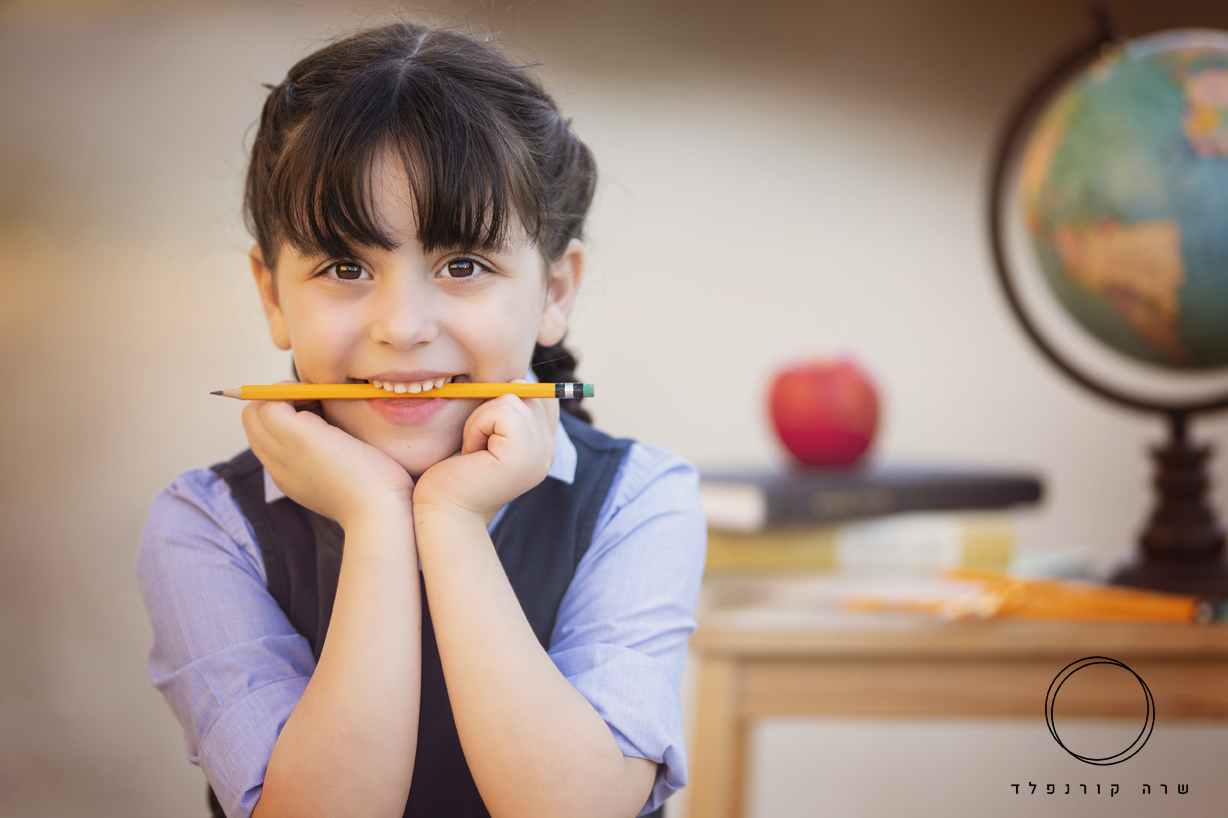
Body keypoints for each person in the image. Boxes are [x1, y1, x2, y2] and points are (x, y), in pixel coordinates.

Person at [135, 21, 706, 818]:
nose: (403, 327)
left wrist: (451, 521)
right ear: (273, 295)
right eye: (345, 266)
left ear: (554, 293)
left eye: (463, 265)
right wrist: (375, 521)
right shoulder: (209, 529)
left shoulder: (637, 502)